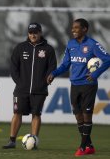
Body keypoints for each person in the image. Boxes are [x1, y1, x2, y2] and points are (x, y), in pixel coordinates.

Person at [47, 18, 110, 156]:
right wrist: (54, 73)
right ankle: (89, 146)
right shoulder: (71, 44)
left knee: (87, 116)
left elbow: (108, 59)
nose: (73, 30)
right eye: (72, 28)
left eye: (76, 28)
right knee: (78, 117)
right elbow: (65, 64)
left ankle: (82, 147)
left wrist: (95, 74)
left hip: (88, 85)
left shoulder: (93, 44)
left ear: (84, 29)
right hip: (74, 84)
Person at [2, 23, 57, 149]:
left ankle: (34, 141)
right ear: (28, 33)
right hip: (21, 89)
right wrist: (19, 82)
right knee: (17, 113)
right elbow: (13, 67)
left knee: (36, 114)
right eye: (31, 32)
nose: (33, 35)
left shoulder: (48, 49)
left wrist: (47, 79)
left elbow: (52, 67)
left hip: (40, 89)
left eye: (36, 32)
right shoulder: (20, 48)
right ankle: (12, 141)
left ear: (40, 33)